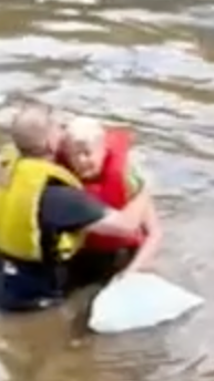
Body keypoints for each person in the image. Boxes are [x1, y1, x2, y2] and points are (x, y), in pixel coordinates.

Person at [0, 103, 150, 313]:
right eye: (59, 128)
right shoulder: (58, 195)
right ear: (51, 142)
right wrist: (143, 190)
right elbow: (126, 226)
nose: (63, 131)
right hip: (36, 303)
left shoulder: (3, 172)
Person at [54, 115, 163, 286]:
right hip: (81, 257)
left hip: (121, 256)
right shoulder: (60, 178)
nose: (80, 161)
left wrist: (131, 272)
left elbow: (154, 233)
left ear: (103, 149)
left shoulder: (128, 179)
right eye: (74, 154)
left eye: (87, 153)